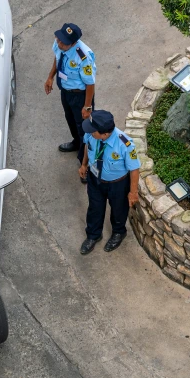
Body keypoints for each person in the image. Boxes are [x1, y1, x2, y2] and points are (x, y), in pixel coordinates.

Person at [78, 110, 140, 255]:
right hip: (95, 179)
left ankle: (118, 232)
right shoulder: (92, 133)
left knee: (119, 210)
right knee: (94, 208)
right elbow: (88, 146)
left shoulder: (125, 144)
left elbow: (134, 169)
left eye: (93, 132)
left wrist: (133, 192)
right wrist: (84, 164)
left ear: (105, 134)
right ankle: (93, 235)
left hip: (117, 184)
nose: (90, 133)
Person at [44, 23, 96, 167]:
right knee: (71, 120)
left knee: (84, 128)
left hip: (80, 96)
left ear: (73, 43)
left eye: (63, 42)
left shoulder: (83, 57)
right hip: (66, 91)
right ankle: (76, 143)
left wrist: (87, 107)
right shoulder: (60, 44)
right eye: (59, 39)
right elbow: (57, 57)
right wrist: (50, 77)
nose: (59, 43)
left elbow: (90, 83)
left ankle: (85, 162)